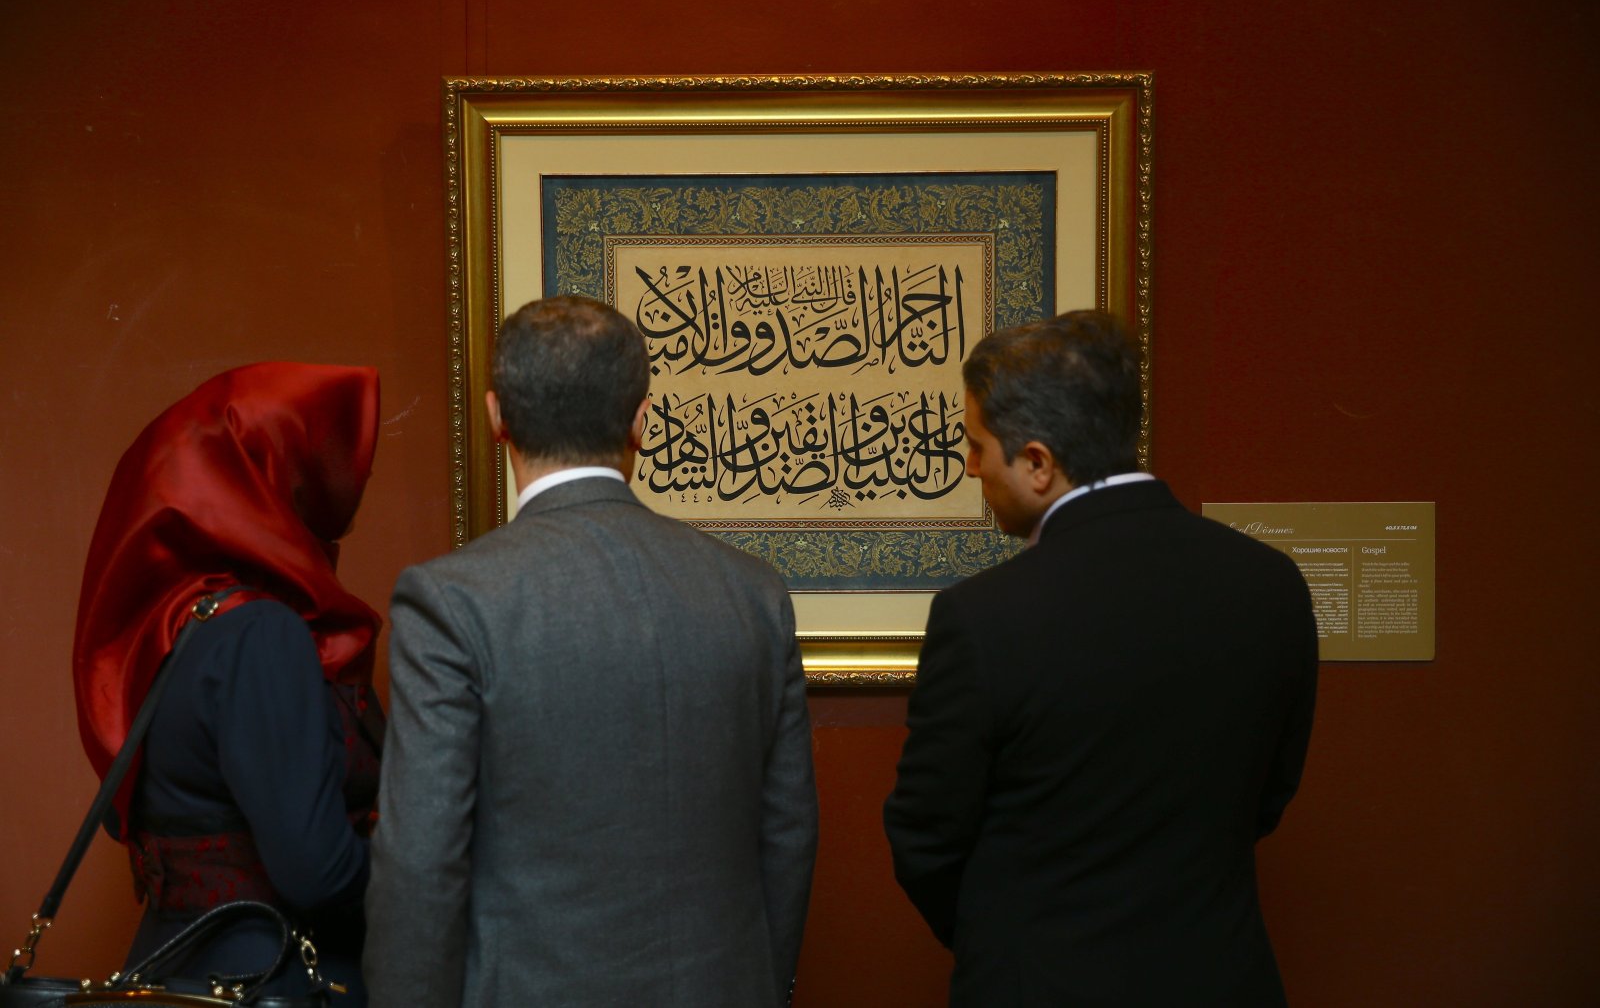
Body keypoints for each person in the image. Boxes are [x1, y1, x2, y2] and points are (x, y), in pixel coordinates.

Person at [365, 295, 818, 1007]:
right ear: (642, 421)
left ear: (495, 419)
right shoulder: (754, 592)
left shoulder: (453, 601)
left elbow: (421, 863)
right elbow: (788, 835)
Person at [883, 312, 1318, 1006]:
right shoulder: (1272, 584)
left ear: (1036, 463)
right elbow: (1269, 798)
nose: (969, 467)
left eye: (975, 446)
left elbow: (925, 837)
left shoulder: (984, 616)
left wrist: (1013, 936)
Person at [72, 362, 385, 1004]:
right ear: (269, 489)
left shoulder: (169, 632)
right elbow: (316, 872)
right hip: (273, 979)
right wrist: (450, 886)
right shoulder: (260, 635)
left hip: (176, 968)